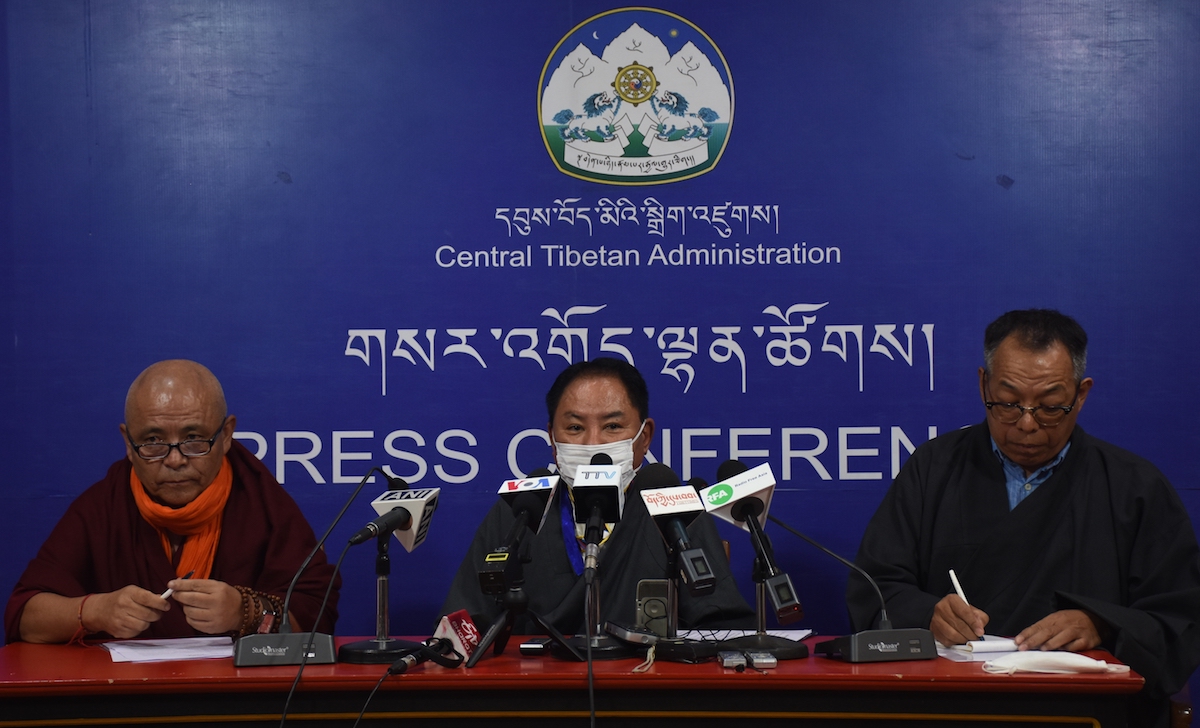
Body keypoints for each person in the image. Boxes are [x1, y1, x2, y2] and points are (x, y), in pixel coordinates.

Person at [848, 309, 1200, 727]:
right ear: (983, 385)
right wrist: (928, 613)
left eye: (1051, 407)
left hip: (1083, 713)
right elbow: (875, 587)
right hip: (947, 706)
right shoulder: (933, 469)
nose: (1028, 425)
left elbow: (1181, 616)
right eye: (1009, 404)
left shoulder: (1135, 486)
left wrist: (1103, 625)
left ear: (1081, 395)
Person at [5, 360, 339, 643]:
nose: (175, 460)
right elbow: (24, 615)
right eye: (153, 441)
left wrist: (244, 611)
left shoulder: (263, 505)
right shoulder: (103, 507)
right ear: (127, 441)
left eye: (194, 439)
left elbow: (315, 621)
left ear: (225, 436)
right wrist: (95, 611)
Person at [438, 357, 754, 635]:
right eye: (575, 428)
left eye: (612, 426)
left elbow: (720, 627)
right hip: (535, 692)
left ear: (644, 437)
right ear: (552, 437)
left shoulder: (672, 504)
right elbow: (461, 626)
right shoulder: (520, 509)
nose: (593, 445)